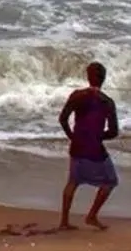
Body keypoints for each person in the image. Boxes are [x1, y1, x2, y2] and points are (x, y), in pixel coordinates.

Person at [57, 61, 120, 231]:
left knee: (73, 182)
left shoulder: (77, 95)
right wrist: (98, 136)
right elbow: (114, 131)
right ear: (103, 79)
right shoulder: (107, 102)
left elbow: (63, 119)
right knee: (110, 181)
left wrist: (72, 136)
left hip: (77, 145)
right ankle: (91, 216)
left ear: (88, 77)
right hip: (95, 149)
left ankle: (64, 222)